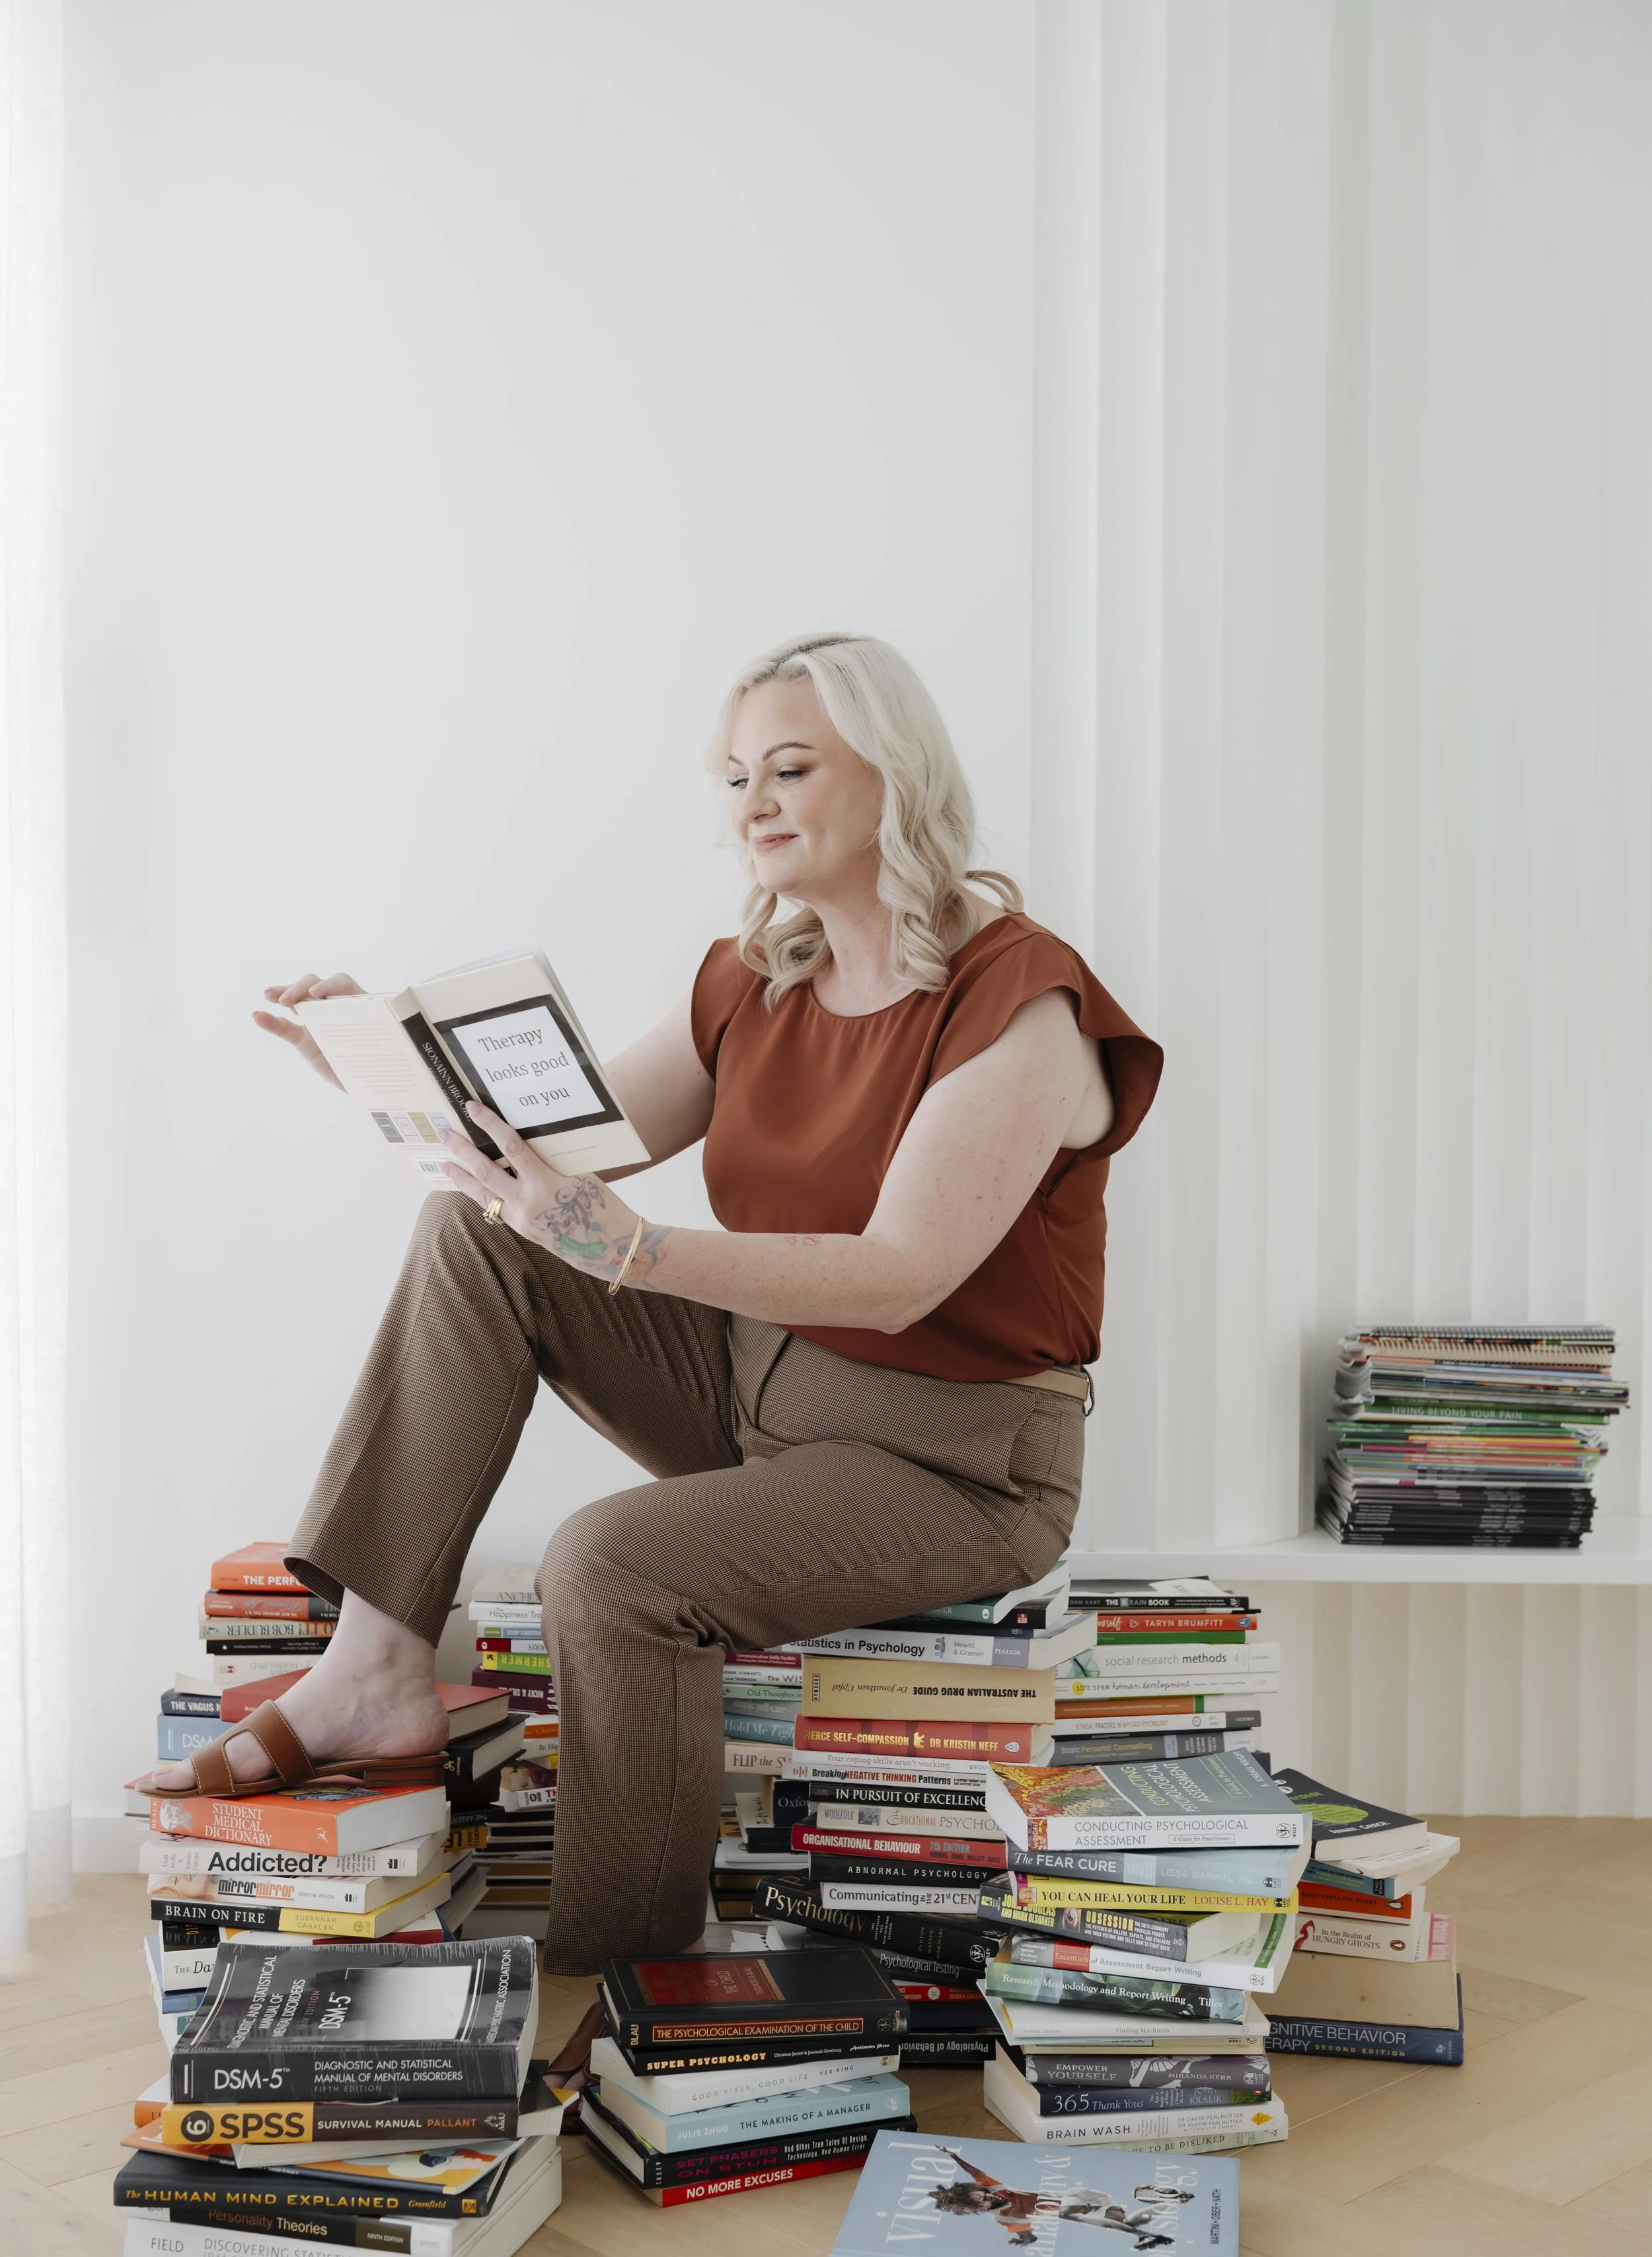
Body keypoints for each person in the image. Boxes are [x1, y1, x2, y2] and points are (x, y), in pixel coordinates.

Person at [141, 632, 1162, 1978]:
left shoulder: (1015, 1001)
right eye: (734, 774)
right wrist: (373, 1059)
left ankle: (623, 1976)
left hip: (955, 1459)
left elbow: (903, 1269)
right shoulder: (754, 977)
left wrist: (634, 1252)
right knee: (476, 1231)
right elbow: (554, 1166)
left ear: (894, 774)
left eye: (788, 767)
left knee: (609, 1563)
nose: (751, 803)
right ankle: (375, 1665)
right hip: (758, 1388)